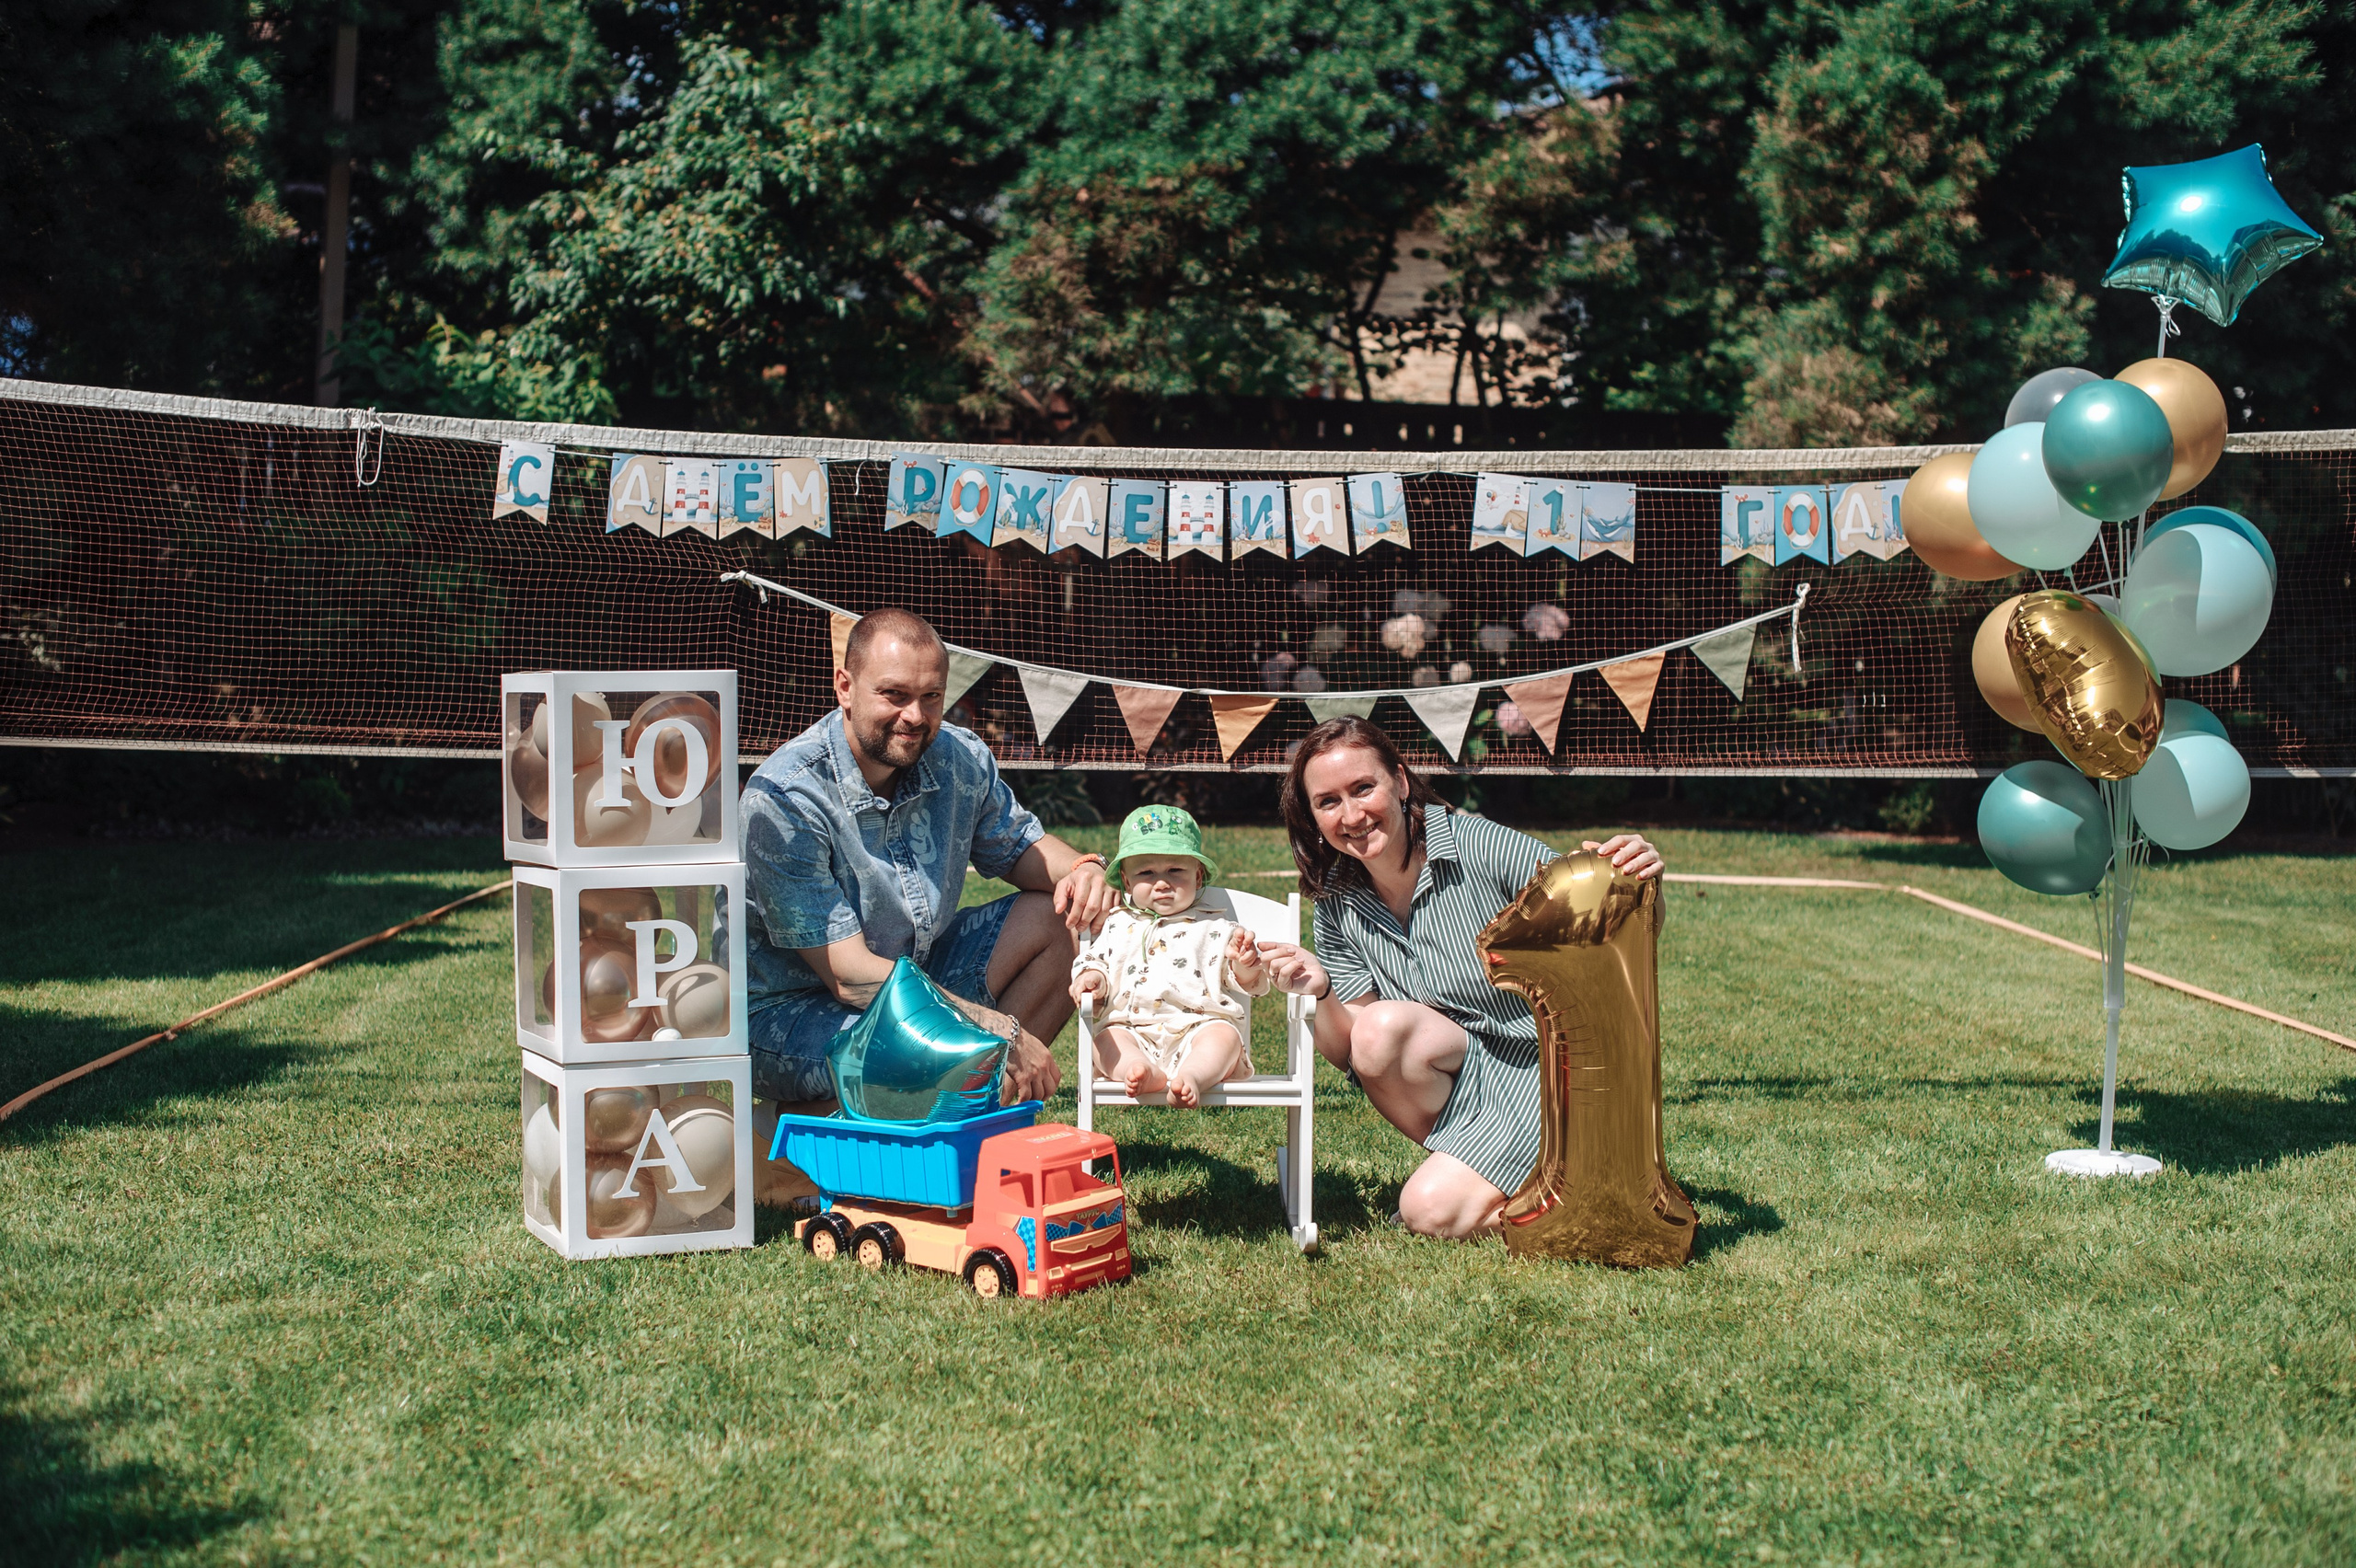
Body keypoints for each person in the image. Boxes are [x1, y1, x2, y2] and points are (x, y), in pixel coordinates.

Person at [1255, 717, 1665, 1240]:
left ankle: (1583, 1189)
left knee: (1426, 1212)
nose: (1352, 815)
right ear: (1311, 815)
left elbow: (1607, 915)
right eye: (1328, 801)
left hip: (1551, 1073)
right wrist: (1322, 991)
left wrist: (1640, 880)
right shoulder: (1337, 898)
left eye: (1364, 788)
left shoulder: (1476, 845)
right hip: (1469, 1074)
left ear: (1401, 783)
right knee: (1378, 1036)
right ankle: (1560, 1190)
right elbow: (1351, 1049)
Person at [738, 607, 1116, 1109]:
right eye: (894, 695)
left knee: (1062, 917)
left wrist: (1084, 869)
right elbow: (850, 978)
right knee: (926, 1051)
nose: (914, 716)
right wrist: (996, 1028)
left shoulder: (956, 756)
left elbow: (1022, 847)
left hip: (915, 976)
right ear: (845, 687)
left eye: (931, 697)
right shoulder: (786, 800)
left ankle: (978, 1119)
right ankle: (860, 1129)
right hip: (796, 1013)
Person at [1069, 805, 1270, 1108]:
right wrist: (1092, 979)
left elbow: (1245, 981)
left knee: (1224, 1037)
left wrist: (1244, 962)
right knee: (1104, 1043)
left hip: (1198, 1026)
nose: (1162, 882)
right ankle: (1137, 1070)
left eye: (1175, 871)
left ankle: (1192, 1076)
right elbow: (1094, 961)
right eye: (1146, 873)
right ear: (1126, 882)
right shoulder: (1115, 924)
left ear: (1198, 876)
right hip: (1131, 1028)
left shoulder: (1215, 928)